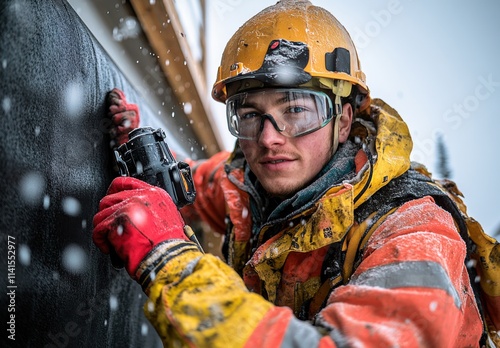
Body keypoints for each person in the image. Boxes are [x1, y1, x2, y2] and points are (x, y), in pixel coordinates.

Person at [93, 1, 499, 346]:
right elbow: (190, 184)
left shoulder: (414, 232)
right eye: (250, 115)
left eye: (296, 111)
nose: (269, 138)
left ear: (342, 121)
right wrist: (142, 146)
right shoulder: (245, 184)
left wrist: (169, 260)